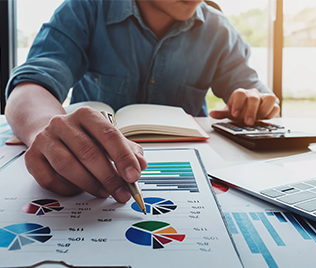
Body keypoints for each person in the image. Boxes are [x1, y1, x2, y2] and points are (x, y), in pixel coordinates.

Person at [5, 0, 280, 203]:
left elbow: (254, 91)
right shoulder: (85, 9)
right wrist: (48, 132)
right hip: (94, 167)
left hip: (194, 172)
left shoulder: (219, 29)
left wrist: (256, 102)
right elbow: (32, 83)